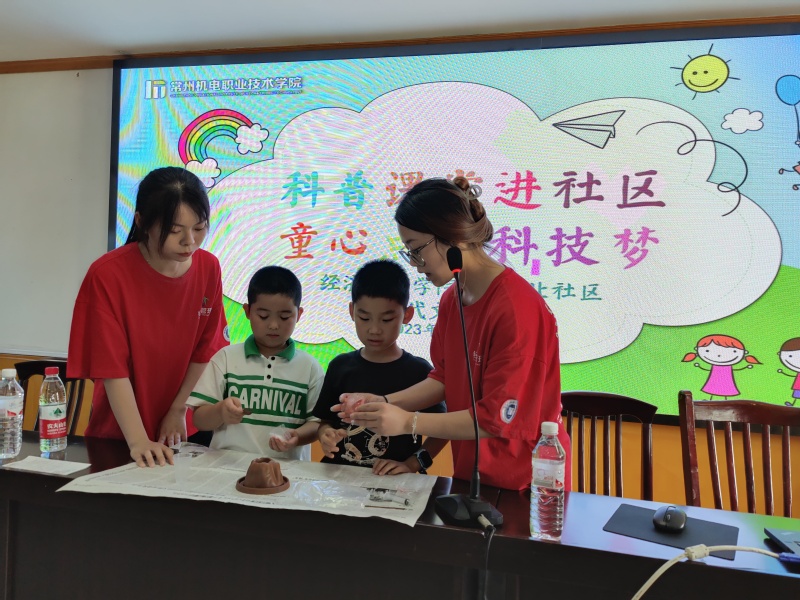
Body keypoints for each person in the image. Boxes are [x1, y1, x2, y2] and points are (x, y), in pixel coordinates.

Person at [339, 177, 569, 491]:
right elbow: (446, 379)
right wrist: (385, 402)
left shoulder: (516, 309)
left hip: (526, 485)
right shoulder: (453, 298)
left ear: (451, 236)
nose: (415, 265)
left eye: (416, 250)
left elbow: (496, 418)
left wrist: (407, 422)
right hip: (472, 475)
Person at [68, 167, 228, 467]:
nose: (189, 242)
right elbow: (111, 368)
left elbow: (205, 350)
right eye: (175, 230)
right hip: (121, 434)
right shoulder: (108, 275)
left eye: (199, 228)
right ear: (142, 222)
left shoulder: (209, 268)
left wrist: (178, 409)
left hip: (184, 431)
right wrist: (139, 440)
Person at [312, 260, 447, 475]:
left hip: (395, 483)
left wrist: (412, 464)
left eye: (387, 319)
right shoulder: (340, 366)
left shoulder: (421, 373)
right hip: (340, 480)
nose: (374, 329)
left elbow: (442, 431)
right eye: (364, 318)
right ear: (351, 311)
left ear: (407, 315)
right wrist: (325, 435)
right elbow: (325, 422)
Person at [188, 266, 323, 459]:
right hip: (229, 468)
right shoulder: (225, 358)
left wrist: (297, 437)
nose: (274, 325)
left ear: (299, 314)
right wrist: (220, 411)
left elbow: (317, 423)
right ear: (247, 311)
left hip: (286, 472)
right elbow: (199, 419)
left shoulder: (309, 367)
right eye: (263, 316)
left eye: (285, 317)